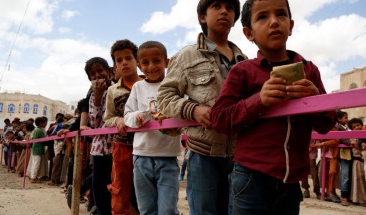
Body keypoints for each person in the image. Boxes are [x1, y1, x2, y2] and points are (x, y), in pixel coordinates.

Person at [209, 0, 336, 214]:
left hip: (291, 181)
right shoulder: (242, 72)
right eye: (262, 17)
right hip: (249, 177)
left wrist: (314, 99)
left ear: (291, 25)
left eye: (281, 14)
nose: (274, 22)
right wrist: (259, 100)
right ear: (249, 33)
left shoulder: (309, 70)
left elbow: (326, 124)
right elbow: (219, 119)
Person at [157, 0, 247, 214]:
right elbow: (164, 96)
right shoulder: (187, 55)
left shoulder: (244, 60)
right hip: (202, 154)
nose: (224, 11)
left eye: (230, 8)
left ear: (235, 19)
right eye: (216, 6)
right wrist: (193, 110)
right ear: (203, 17)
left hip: (239, 153)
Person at [124, 41, 181, 214]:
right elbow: (128, 116)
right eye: (145, 63)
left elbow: (183, 111)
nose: (151, 66)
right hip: (142, 157)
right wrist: (140, 116)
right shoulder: (137, 87)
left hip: (168, 157)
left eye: (156, 61)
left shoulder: (175, 85)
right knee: (147, 209)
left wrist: (173, 117)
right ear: (139, 66)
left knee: (167, 210)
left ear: (167, 62)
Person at [104, 39, 142, 215]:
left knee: (145, 189)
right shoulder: (113, 90)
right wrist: (118, 119)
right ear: (115, 66)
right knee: (120, 189)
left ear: (137, 61)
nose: (124, 62)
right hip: (122, 147)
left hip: (147, 147)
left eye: (128, 58)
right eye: (119, 60)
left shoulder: (147, 85)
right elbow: (108, 118)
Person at [84, 56, 113, 215]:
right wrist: (97, 96)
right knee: (100, 189)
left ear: (109, 71)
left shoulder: (118, 89)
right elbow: (94, 123)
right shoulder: (93, 96)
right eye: (93, 74)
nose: (97, 75)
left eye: (100, 70)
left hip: (118, 147)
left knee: (116, 188)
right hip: (100, 149)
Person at [335, 110, 353, 206]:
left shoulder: (346, 127)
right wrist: (351, 142)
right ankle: (344, 197)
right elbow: (342, 139)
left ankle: (349, 195)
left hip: (348, 153)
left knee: (349, 174)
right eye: (345, 117)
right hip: (343, 154)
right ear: (339, 119)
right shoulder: (338, 127)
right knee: (345, 175)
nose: (347, 119)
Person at [347, 117, 366, 206]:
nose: (357, 128)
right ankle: (358, 199)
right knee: (358, 180)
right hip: (357, 161)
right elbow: (356, 146)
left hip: (363, 161)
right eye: (354, 127)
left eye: (358, 125)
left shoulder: (364, 135)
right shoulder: (353, 137)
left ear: (362, 125)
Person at [30, 117, 47, 183]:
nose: (44, 124)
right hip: (38, 149)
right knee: (36, 164)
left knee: (34, 164)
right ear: (40, 123)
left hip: (35, 148)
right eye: (43, 123)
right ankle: (33, 178)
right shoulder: (39, 130)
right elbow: (44, 139)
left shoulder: (36, 130)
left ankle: (32, 177)